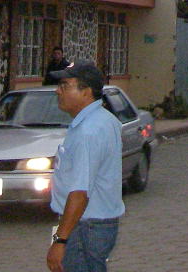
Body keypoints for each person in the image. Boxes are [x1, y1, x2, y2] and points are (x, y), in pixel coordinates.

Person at [47, 62, 124, 272]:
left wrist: (60, 240)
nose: (58, 91)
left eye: (65, 85)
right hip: (92, 224)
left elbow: (80, 193)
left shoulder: (88, 131)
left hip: (84, 226)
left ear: (86, 92)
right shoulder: (103, 119)